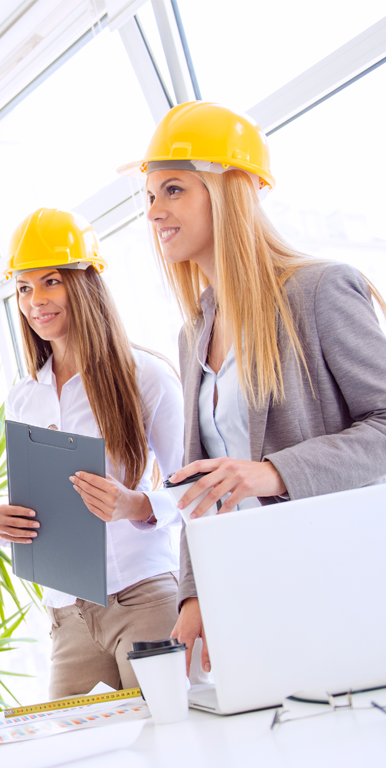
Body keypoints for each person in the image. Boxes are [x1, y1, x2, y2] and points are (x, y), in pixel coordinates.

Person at [120, 100, 386, 674]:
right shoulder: (195, 331)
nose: (154, 212)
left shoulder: (319, 291)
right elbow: (198, 488)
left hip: (339, 582)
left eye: (172, 190)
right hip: (249, 590)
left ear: (230, 191)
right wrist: (194, 594)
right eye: (149, 196)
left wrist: (274, 472)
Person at [0, 208, 185, 699]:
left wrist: (138, 506)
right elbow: (43, 512)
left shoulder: (146, 376)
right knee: (67, 748)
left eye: (50, 281)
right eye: (23, 288)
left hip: (143, 598)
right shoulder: (23, 398)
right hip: (68, 615)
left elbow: (198, 490)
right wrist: (12, 527)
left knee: (166, 741)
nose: (35, 301)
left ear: (85, 282)